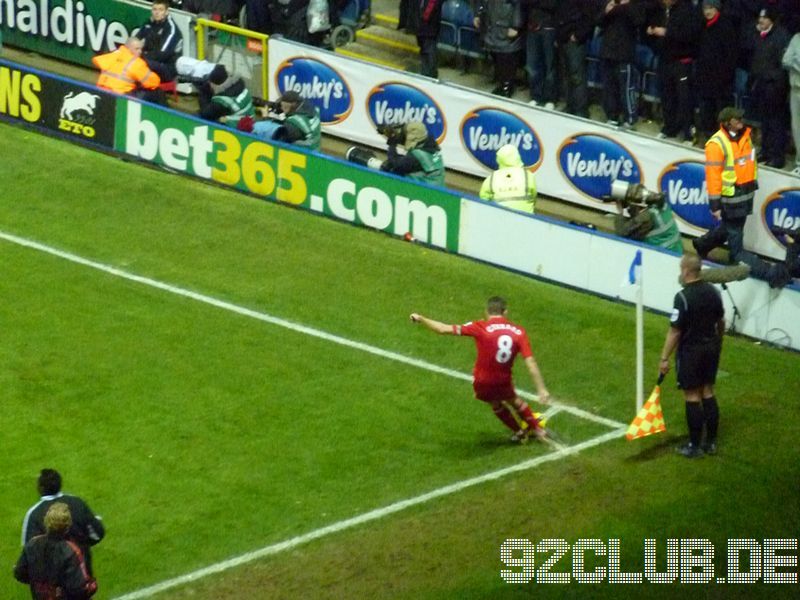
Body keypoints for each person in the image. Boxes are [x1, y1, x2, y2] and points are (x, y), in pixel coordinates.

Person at [410, 296, 551, 443]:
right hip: (504, 379)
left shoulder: (480, 326)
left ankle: (519, 433)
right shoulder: (519, 332)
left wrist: (421, 318)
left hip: (482, 380)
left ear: (487, 312)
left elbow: (442, 329)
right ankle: (538, 431)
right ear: (505, 312)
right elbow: (531, 362)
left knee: (495, 403)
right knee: (516, 402)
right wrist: (541, 389)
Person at [658, 254, 724, 457]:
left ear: (686, 271)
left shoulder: (683, 297)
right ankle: (710, 443)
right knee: (708, 391)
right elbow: (721, 321)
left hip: (691, 352)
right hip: (711, 348)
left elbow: (675, 331)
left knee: (692, 395)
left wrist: (664, 358)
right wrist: (718, 341)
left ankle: (694, 446)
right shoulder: (713, 291)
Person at [692, 107, 756, 264]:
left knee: (731, 227)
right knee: (735, 231)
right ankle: (736, 261)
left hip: (746, 193)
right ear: (727, 123)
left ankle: (702, 244)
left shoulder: (746, 137)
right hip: (731, 196)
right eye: (737, 119)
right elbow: (713, 176)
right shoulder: (716, 144)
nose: (741, 121)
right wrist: (715, 205)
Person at [21, 469, 105, 577]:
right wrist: (83, 546)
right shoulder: (77, 503)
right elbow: (97, 533)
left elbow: (29, 552)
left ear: (41, 488)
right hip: (82, 573)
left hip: (53, 580)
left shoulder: (34, 514)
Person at [646, 0, 703, 143]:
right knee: (667, 96)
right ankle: (669, 128)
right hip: (664, 59)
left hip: (682, 61)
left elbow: (689, 35)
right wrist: (651, 33)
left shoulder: (688, 10)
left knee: (684, 99)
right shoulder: (661, 9)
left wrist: (666, 32)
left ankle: (688, 133)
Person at [15, 502, 98, 599]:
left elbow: (19, 573)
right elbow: (78, 588)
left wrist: (40, 585)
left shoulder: (32, 544)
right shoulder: (70, 550)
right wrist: (92, 586)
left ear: (46, 522)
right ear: (67, 526)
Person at [749, 6, 791, 168]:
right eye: (760, 17)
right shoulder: (760, 35)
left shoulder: (781, 36)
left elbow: (783, 65)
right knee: (764, 122)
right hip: (760, 85)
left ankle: (777, 157)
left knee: (776, 123)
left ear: (771, 20)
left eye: (764, 18)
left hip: (775, 87)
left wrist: (774, 81)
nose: (761, 20)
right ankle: (765, 151)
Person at [695, 0, 738, 142]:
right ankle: (707, 137)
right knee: (706, 109)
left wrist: (725, 77)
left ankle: (723, 140)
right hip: (705, 76)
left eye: (710, 8)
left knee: (721, 111)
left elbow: (731, 55)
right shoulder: (702, 25)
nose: (707, 11)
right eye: (705, 8)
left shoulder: (726, 26)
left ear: (717, 9)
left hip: (721, 80)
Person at [599, 0, 643, 127]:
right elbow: (599, 22)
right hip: (608, 52)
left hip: (624, 55)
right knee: (609, 87)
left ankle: (630, 118)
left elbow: (639, 20)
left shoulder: (634, 5)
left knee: (626, 89)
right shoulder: (611, 4)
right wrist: (606, 11)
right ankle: (612, 116)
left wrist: (626, 5)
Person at [554, 0, 600, 118]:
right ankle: (570, 106)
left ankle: (580, 110)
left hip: (575, 40)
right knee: (566, 75)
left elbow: (590, 16)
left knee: (577, 76)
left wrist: (579, 35)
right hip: (563, 36)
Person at [473, 0, 524, 97]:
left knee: (507, 57)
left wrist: (516, 25)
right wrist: (478, 14)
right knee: (497, 56)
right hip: (492, 22)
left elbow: (518, 5)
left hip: (506, 23)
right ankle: (502, 84)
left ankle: (507, 86)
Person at [92, 37, 165, 104]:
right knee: (157, 92)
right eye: (137, 49)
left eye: (141, 49)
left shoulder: (114, 54)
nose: (140, 52)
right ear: (129, 48)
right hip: (120, 97)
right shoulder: (136, 62)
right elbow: (153, 82)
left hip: (101, 91)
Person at [239, 90, 321, 150]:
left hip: (305, 152)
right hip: (315, 146)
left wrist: (265, 117)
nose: (281, 108)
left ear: (292, 105)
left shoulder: (294, 125)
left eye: (283, 106)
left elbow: (278, 140)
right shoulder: (310, 108)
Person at [380, 121, 445, 185]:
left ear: (413, 136)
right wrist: (395, 137)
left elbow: (396, 164)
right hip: (437, 186)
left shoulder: (418, 155)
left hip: (427, 190)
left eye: (406, 133)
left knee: (390, 168)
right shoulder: (431, 145)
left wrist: (392, 144)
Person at [614, 194, 683, 253]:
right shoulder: (663, 206)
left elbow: (621, 232)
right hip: (676, 252)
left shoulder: (647, 217)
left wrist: (620, 212)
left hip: (662, 256)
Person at [478, 144, 537, 213]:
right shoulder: (528, 175)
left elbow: (483, 201)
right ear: (517, 156)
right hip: (526, 219)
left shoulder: (492, 178)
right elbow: (533, 197)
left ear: (499, 159)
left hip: (498, 217)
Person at [136, 0, 184, 82]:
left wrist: (141, 57)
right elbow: (135, 40)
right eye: (154, 9)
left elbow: (162, 55)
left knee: (139, 63)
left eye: (160, 10)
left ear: (166, 12)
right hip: (149, 60)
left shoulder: (171, 29)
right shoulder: (149, 23)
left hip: (167, 68)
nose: (157, 12)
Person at [523, 0, 557, 108]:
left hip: (549, 27)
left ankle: (550, 98)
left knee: (549, 65)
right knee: (532, 65)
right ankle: (536, 96)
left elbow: (554, 4)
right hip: (532, 26)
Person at [782, 31, 800, 175]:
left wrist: (795, 60)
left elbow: (792, 60)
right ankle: (799, 162)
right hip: (795, 89)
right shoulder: (796, 38)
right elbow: (785, 60)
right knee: (796, 127)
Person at [417, 0, 444, 78]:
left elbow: (427, 14)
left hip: (430, 29)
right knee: (424, 52)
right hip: (422, 28)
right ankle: (425, 73)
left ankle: (430, 75)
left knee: (429, 53)